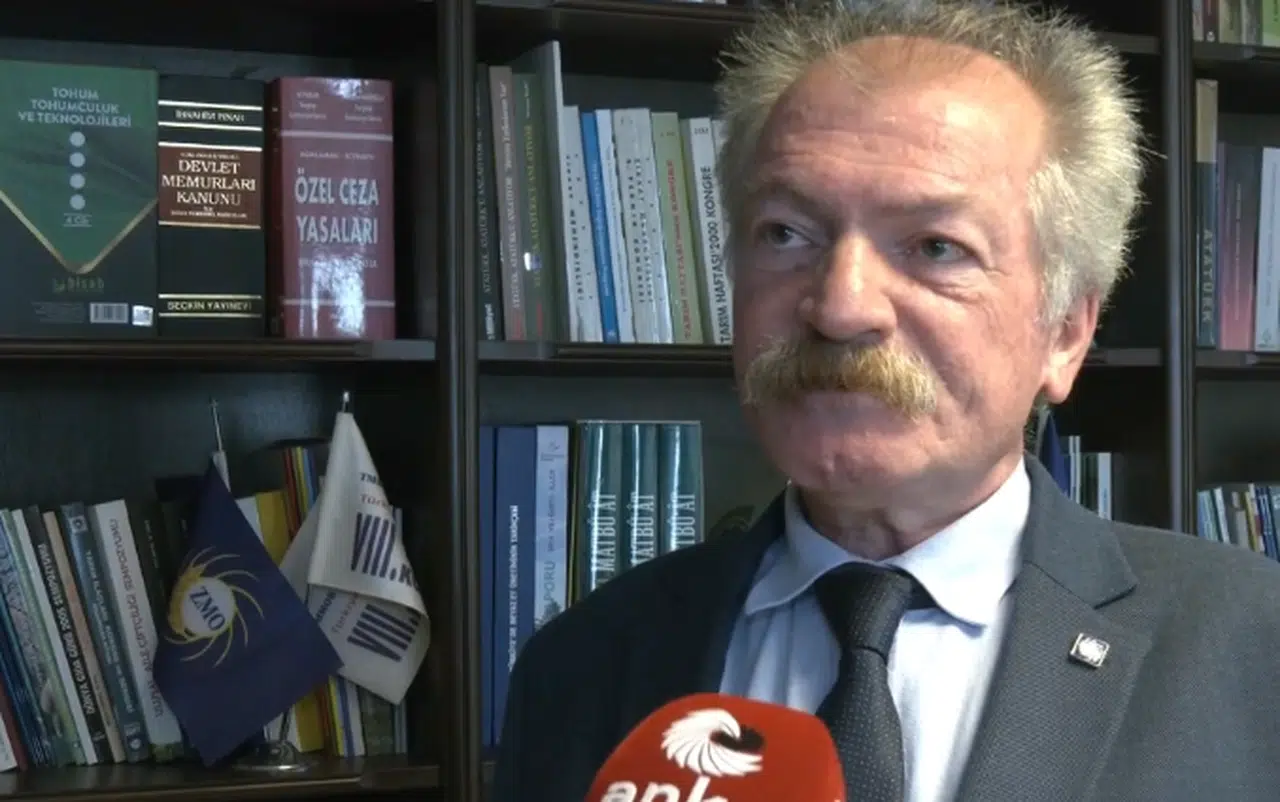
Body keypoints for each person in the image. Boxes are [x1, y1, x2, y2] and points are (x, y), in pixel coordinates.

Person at [491, 2, 1280, 801]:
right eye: (786, 234)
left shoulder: (1253, 648)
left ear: (1065, 333)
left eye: (936, 247)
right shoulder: (582, 663)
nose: (840, 307)